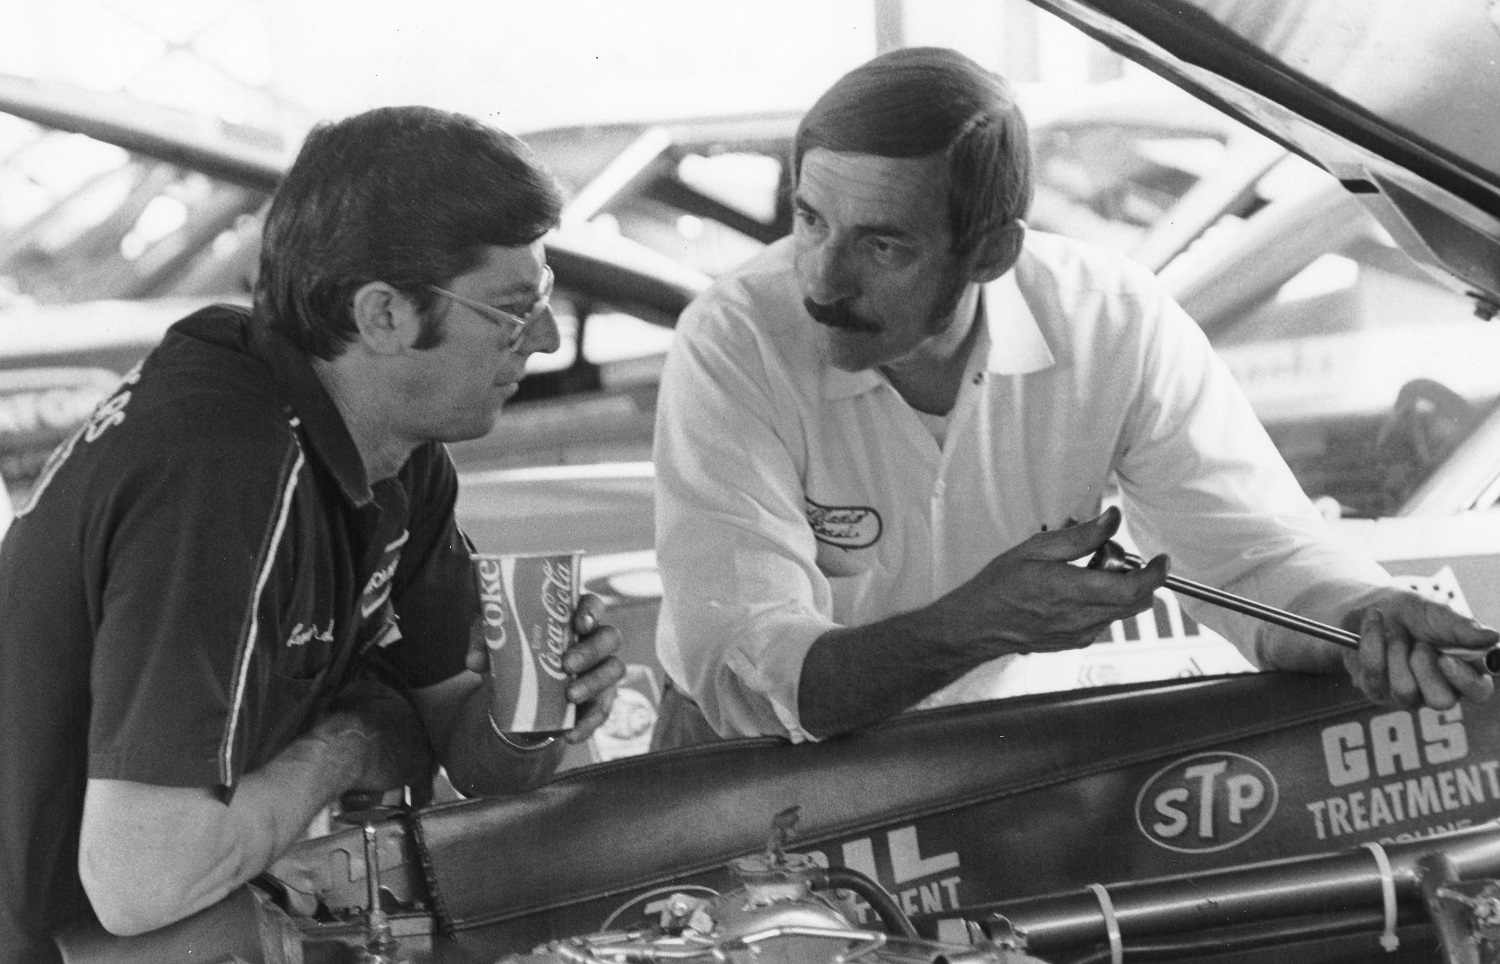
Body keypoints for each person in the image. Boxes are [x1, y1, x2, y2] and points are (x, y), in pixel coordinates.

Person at [651, 47, 1497, 749]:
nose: (822, 281)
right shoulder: (735, 341)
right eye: (809, 221)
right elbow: (748, 676)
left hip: (968, 752)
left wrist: (1367, 616)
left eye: (882, 246)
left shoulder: (1110, 321)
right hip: (738, 773)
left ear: (990, 252)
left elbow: (1251, 559)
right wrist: (974, 623)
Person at [0, 106, 625, 961]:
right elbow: (141, 880)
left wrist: (545, 708)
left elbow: (475, 761)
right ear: (382, 315)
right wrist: (349, 742)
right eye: (516, 311)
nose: (545, 341)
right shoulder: (224, 469)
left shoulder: (398, 455)